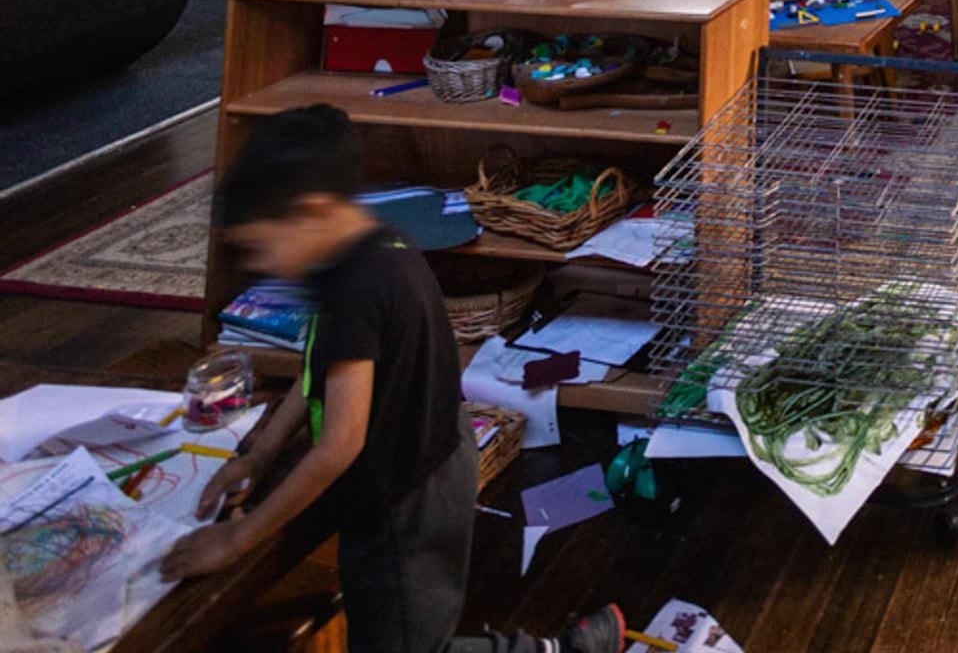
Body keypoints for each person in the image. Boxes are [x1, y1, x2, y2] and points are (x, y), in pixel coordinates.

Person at [165, 106, 622, 653]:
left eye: (260, 246)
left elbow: (338, 446)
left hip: (407, 499)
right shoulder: (363, 244)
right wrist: (262, 454)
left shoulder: (354, 288)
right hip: (425, 458)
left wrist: (238, 540)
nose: (260, 264)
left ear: (308, 213)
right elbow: (319, 368)